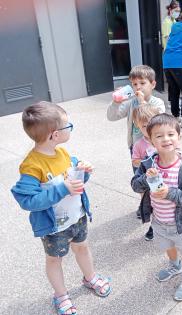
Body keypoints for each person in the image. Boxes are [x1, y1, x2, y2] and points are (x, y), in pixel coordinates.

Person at [11, 102, 111, 315]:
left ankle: (90, 277)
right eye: (68, 126)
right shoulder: (31, 165)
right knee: (55, 259)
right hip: (54, 226)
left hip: (77, 217)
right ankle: (61, 295)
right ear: (54, 134)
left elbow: (74, 177)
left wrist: (84, 169)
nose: (70, 129)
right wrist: (61, 189)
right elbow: (27, 200)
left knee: (83, 247)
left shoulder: (63, 153)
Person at [131, 114, 182, 301]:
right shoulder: (148, 164)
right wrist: (146, 178)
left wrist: (169, 193)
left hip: (181, 222)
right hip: (159, 220)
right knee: (167, 244)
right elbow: (135, 185)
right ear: (151, 140)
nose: (166, 139)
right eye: (159, 136)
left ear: (179, 137)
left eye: (170, 134)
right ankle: (174, 265)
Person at [107, 65, 165, 167]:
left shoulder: (158, 103)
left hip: (154, 146)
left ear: (153, 84)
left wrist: (142, 101)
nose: (138, 87)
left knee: (154, 173)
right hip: (136, 146)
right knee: (138, 174)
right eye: (134, 84)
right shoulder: (131, 102)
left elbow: (156, 122)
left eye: (142, 83)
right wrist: (116, 103)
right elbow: (112, 117)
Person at [131, 105, 160, 240]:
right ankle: (153, 226)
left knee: (164, 203)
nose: (147, 129)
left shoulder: (162, 138)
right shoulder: (139, 144)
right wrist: (145, 162)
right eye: (144, 126)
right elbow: (135, 161)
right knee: (152, 204)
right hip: (147, 180)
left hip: (164, 178)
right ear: (138, 126)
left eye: (150, 124)